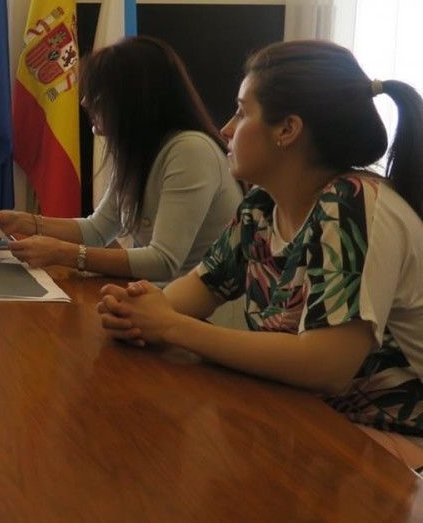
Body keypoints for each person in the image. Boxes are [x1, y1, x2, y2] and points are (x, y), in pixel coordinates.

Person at [98, 40, 423, 469]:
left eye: (241, 111)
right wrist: (135, 311)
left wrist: (171, 327)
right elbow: (184, 298)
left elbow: (327, 365)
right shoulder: (261, 208)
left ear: (287, 130)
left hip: (397, 440)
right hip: (310, 417)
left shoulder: (353, 204)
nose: (226, 129)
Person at [0, 36, 241, 283]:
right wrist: (22, 222)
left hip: (200, 315)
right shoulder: (137, 149)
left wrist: (64, 254)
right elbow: (97, 230)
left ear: (133, 99)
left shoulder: (190, 150)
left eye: (96, 93)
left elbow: (163, 261)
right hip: (160, 300)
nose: (85, 103)